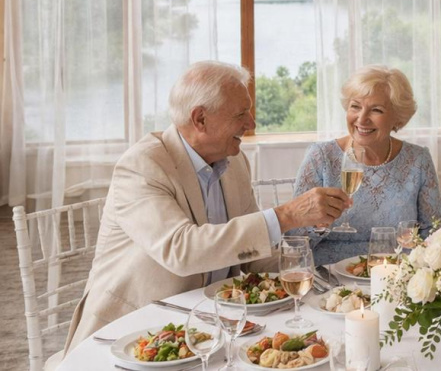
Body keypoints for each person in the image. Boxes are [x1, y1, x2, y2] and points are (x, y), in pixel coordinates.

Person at [63, 62, 353, 352]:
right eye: (241, 114)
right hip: (131, 335)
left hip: (210, 326)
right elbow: (182, 250)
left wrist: (311, 268)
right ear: (200, 119)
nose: (251, 123)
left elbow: (250, 256)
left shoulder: (235, 161)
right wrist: (286, 215)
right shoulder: (142, 166)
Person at [292, 66, 441, 265]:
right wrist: (319, 225)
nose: (362, 119)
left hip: (396, 276)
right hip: (330, 277)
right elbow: (295, 241)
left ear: (397, 117)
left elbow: (434, 232)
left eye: (376, 110)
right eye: (355, 106)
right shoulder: (321, 157)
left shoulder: (418, 159)